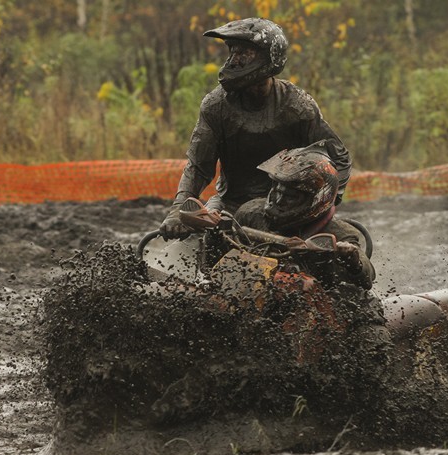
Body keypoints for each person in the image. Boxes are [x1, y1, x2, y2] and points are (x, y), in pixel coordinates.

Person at [160, 18, 352, 239]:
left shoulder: (297, 106)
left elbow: (338, 157)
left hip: (288, 210)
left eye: (244, 53)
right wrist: (177, 211)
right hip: (229, 206)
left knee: (335, 247)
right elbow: (198, 167)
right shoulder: (216, 106)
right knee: (193, 245)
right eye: (232, 52)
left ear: (267, 58)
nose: (233, 61)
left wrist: (321, 205)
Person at [233, 142, 374, 290]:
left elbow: (367, 278)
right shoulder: (251, 213)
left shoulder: (340, 234)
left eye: (290, 196)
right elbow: (220, 259)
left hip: (316, 302)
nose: (279, 201)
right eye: (277, 191)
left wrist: (352, 260)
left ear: (318, 198)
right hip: (250, 291)